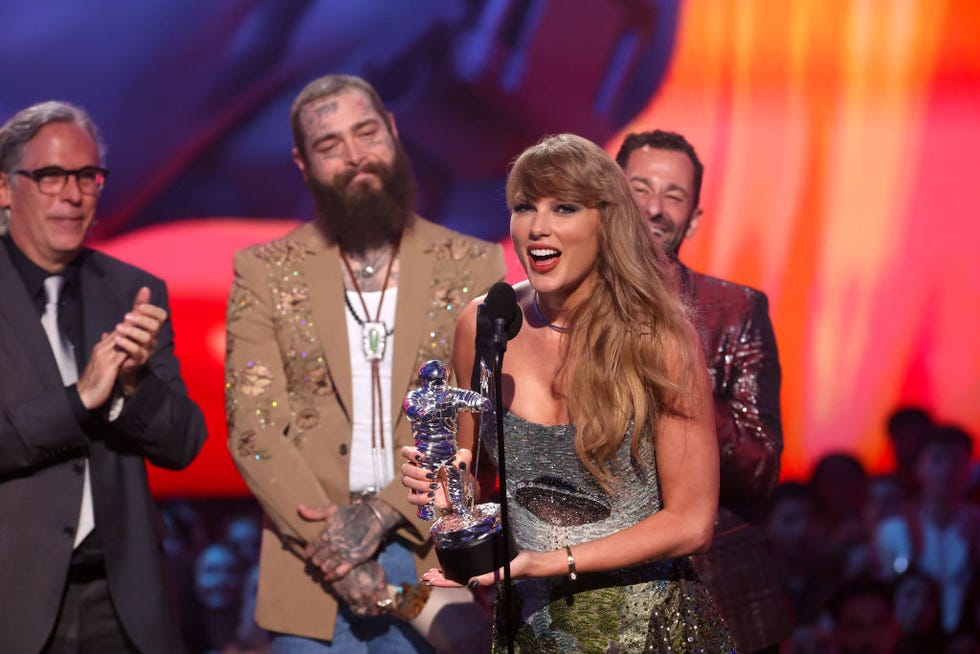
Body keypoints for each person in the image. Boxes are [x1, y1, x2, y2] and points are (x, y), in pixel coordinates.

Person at [403, 133, 734, 651]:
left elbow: (692, 523)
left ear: (606, 222)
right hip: (536, 630)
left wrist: (547, 563)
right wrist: (447, 499)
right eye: (524, 206)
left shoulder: (659, 341)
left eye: (564, 208)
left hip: (651, 631)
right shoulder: (485, 324)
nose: (538, 227)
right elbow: (472, 480)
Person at [225, 74, 506, 652]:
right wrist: (333, 549)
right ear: (302, 163)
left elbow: (479, 424)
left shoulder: (474, 264)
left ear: (394, 132)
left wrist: (381, 515)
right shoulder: (265, 270)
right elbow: (253, 426)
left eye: (367, 133)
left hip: (433, 546)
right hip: (311, 559)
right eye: (330, 146)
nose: (356, 156)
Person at [0, 101, 207, 653]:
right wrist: (79, 401)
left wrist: (134, 388)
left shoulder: (132, 290)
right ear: (4, 189)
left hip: (124, 603)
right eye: (50, 176)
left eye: (87, 177)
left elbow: (185, 443)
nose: (73, 195)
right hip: (12, 603)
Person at [616, 129, 790, 651]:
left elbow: (760, 473)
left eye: (673, 196)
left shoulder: (735, 311)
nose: (654, 208)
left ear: (693, 217)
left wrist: (675, 373)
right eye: (640, 188)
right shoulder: (560, 308)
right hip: (588, 589)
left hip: (706, 592)